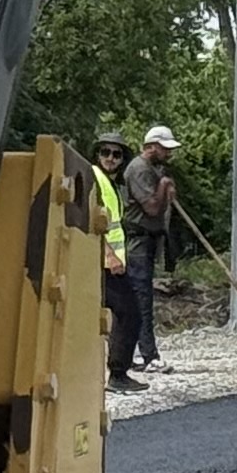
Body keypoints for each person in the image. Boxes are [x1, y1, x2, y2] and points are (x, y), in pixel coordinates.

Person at [121, 126, 183, 371]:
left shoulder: (153, 170)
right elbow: (152, 208)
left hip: (149, 241)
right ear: (152, 146)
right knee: (140, 298)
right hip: (137, 241)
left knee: (141, 298)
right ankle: (148, 356)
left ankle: (135, 354)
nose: (169, 154)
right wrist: (164, 185)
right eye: (165, 149)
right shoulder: (138, 170)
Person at [88, 135, 144, 387]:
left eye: (116, 154)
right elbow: (93, 220)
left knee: (116, 315)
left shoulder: (109, 184)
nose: (110, 158)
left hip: (105, 263)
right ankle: (118, 374)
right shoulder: (95, 180)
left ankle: (111, 373)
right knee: (129, 313)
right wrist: (109, 255)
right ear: (96, 154)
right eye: (105, 152)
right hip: (103, 263)